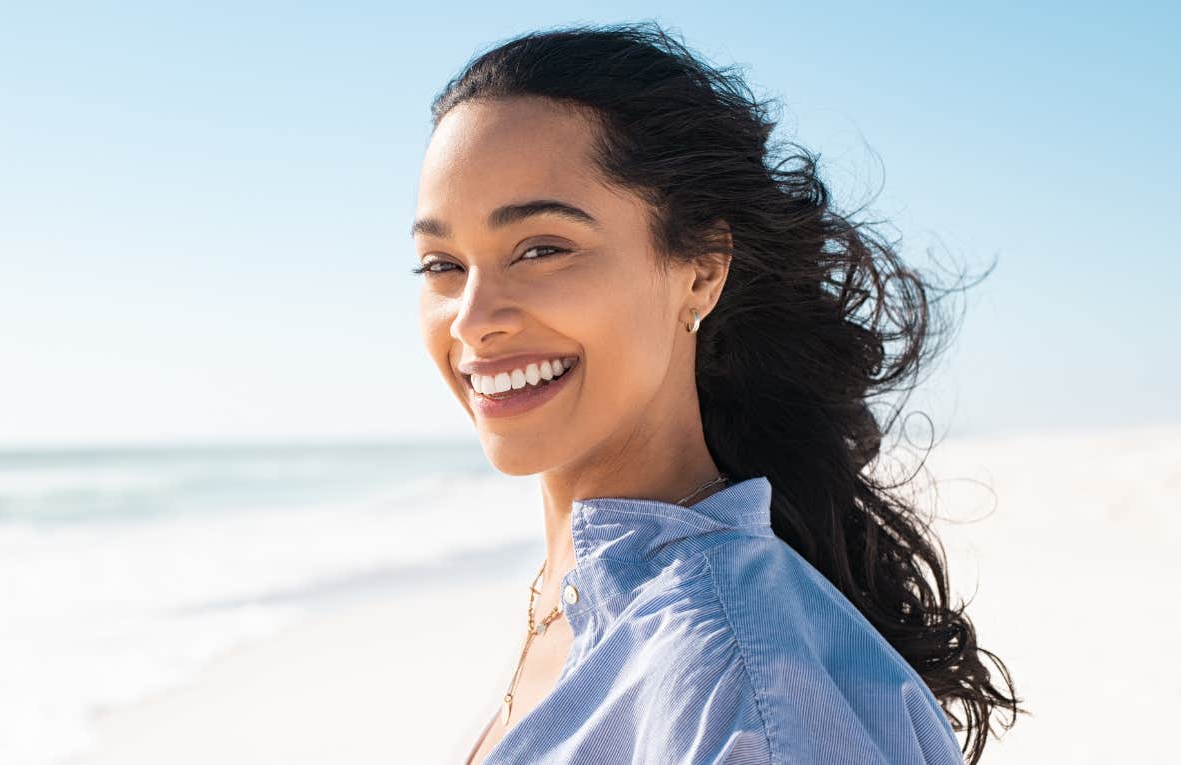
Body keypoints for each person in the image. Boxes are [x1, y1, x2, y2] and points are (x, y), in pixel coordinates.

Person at [410, 21, 1023, 765]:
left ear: (701, 268)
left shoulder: (744, 690)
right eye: (441, 263)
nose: (473, 321)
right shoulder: (582, 598)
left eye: (542, 249)